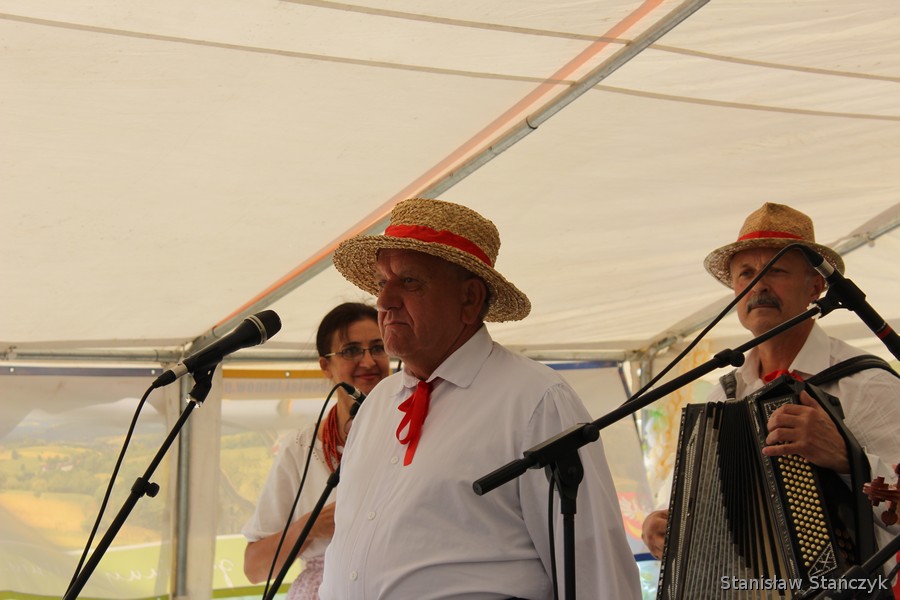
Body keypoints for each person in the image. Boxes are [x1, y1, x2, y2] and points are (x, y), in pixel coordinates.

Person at [318, 198, 640, 599]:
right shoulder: (379, 403)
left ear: (470, 299)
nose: (384, 301)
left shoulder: (535, 400)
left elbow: (597, 571)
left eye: (410, 282)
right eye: (383, 283)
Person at [641, 203, 900, 568]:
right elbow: (683, 497)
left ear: (816, 286)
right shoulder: (724, 395)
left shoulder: (866, 382)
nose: (759, 285)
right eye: (746, 273)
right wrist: (658, 523)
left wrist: (848, 459)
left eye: (776, 270)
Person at [242, 302, 391, 599]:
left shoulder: (415, 433)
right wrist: (310, 527)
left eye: (378, 348)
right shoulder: (301, 447)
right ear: (325, 365)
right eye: (351, 351)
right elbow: (255, 568)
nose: (368, 361)